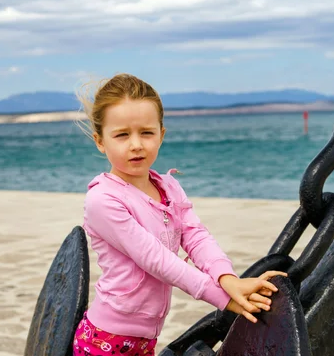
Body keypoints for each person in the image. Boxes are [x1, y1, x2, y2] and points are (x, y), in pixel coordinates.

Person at [73, 73, 287, 355]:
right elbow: (157, 260)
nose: (136, 144)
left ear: (161, 134)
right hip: (106, 340)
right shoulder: (103, 200)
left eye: (146, 132)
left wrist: (228, 278)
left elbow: (195, 236)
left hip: (144, 339)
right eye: (122, 135)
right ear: (101, 141)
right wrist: (224, 299)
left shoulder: (168, 187)